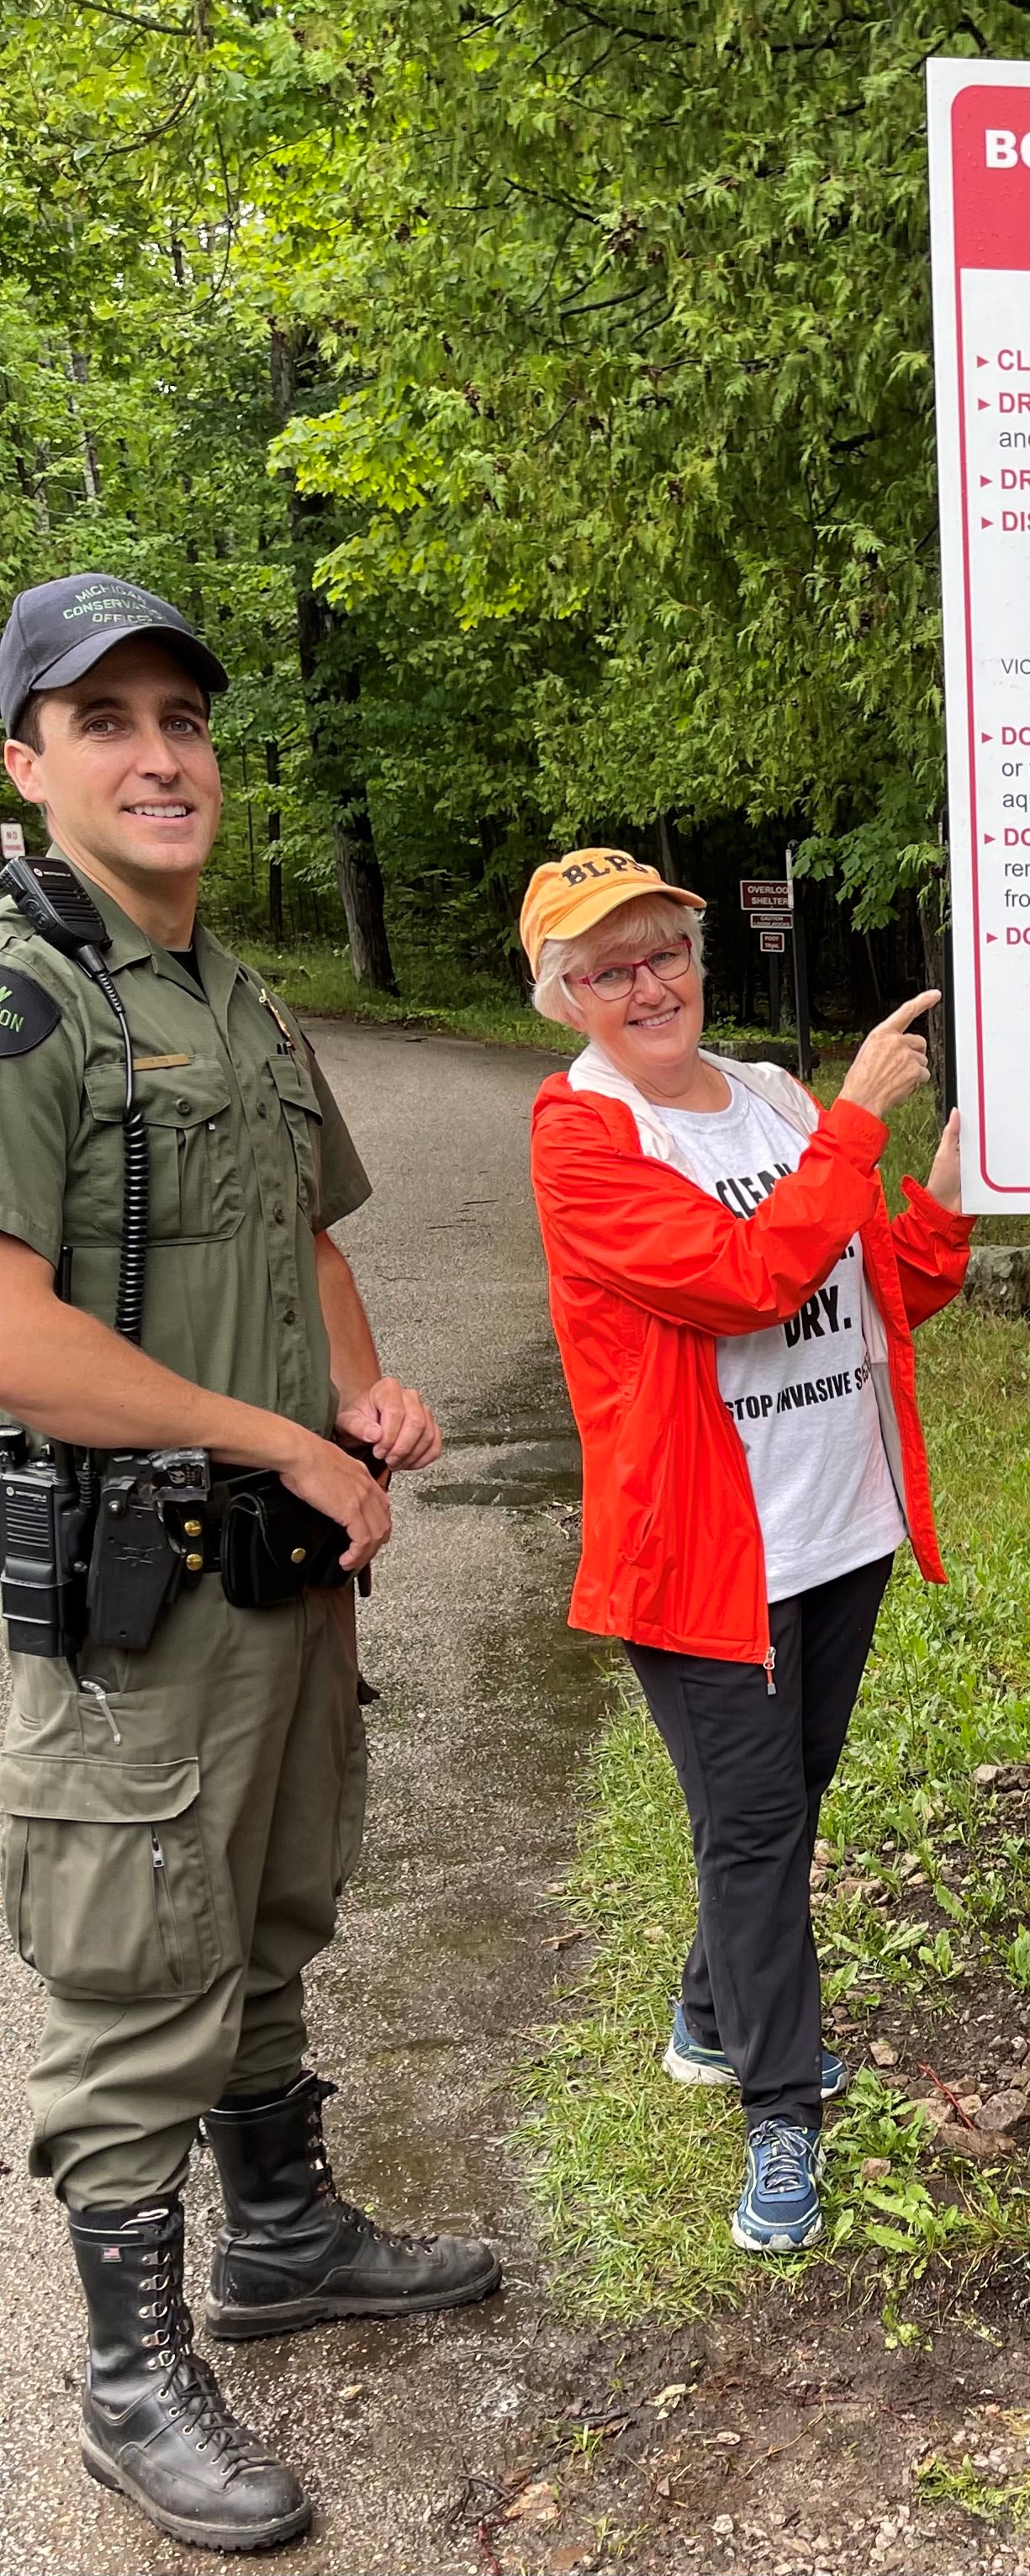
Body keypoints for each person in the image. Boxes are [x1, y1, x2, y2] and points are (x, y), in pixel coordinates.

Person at [0, 574, 499, 2553]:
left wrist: (363, 1413)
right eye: (102, 719)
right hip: (135, 1597)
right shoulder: (25, 1003)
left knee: (280, 1903)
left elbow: (304, 1240)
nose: (157, 753)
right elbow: (11, 1331)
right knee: (143, 1967)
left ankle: (280, 2237)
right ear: (24, 765)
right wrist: (274, 1434)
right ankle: (129, 2382)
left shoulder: (238, 996)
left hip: (285, 1573)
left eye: (180, 717)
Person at [521, 854, 973, 2256]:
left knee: (786, 1793)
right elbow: (739, 1281)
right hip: (705, 1552)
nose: (646, 984)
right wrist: (854, 1127)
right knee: (761, 1828)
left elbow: (871, 1272)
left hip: (840, 1515)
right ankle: (782, 2112)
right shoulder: (580, 1134)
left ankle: (711, 2012)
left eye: (662, 951)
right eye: (608, 969)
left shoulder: (772, 1098)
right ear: (565, 999)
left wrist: (945, 1184)